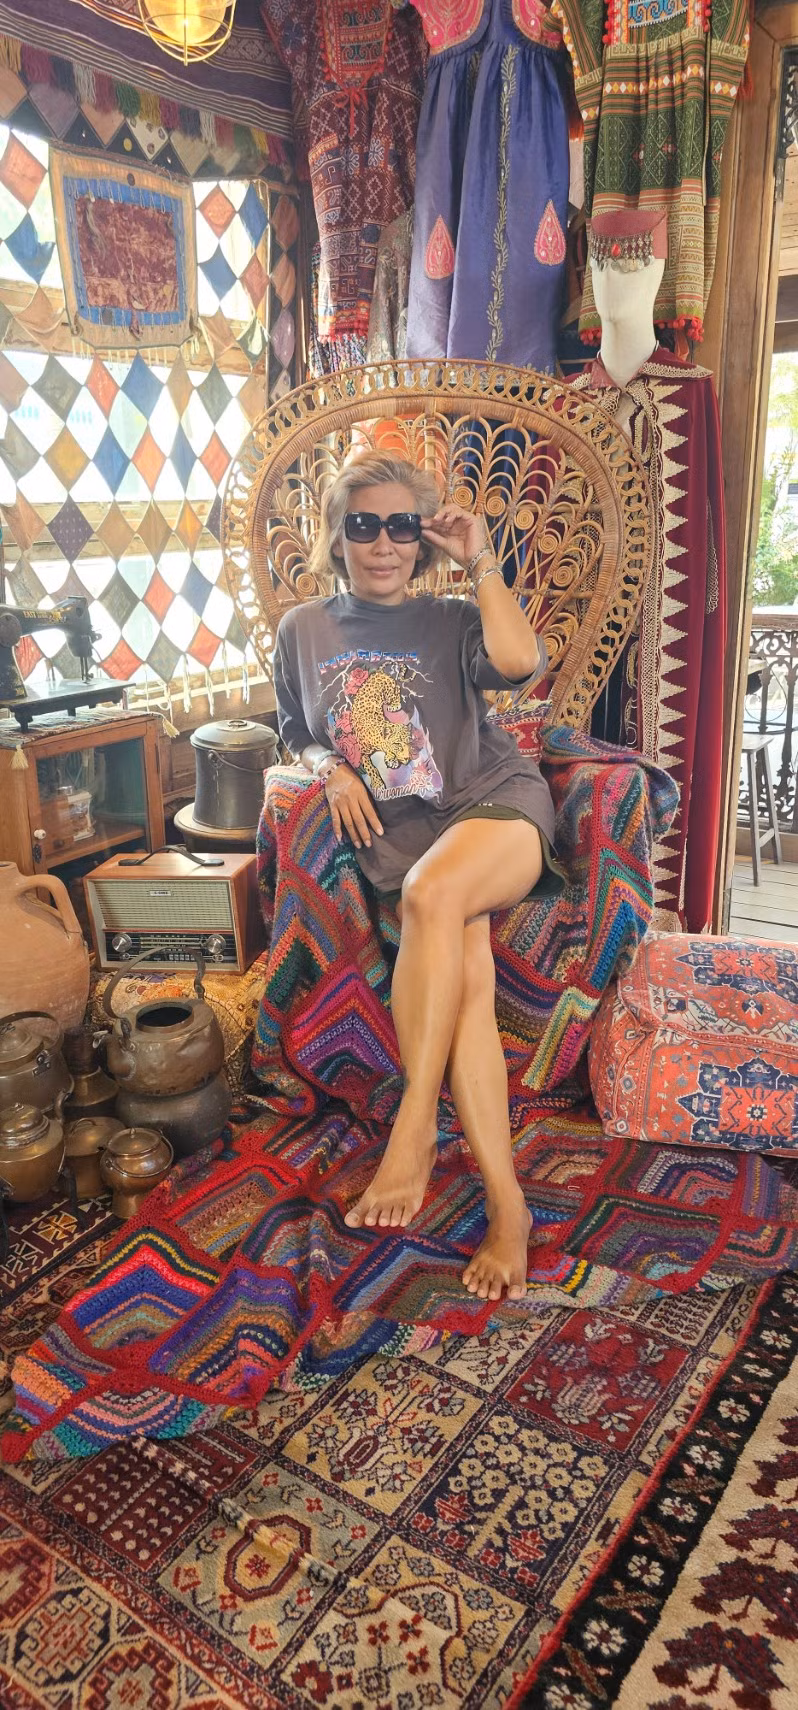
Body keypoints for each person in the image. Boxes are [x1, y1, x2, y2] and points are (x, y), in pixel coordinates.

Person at [273, 452, 558, 1301]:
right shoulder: (303, 630)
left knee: (435, 894)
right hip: (406, 841)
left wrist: (481, 559)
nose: (384, 544)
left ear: (423, 540)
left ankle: (415, 1125)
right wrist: (331, 768)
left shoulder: (451, 617)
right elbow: (295, 730)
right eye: (364, 524)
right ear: (338, 536)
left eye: (403, 526)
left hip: (494, 808)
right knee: (465, 978)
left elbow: (521, 663)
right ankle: (509, 1207)